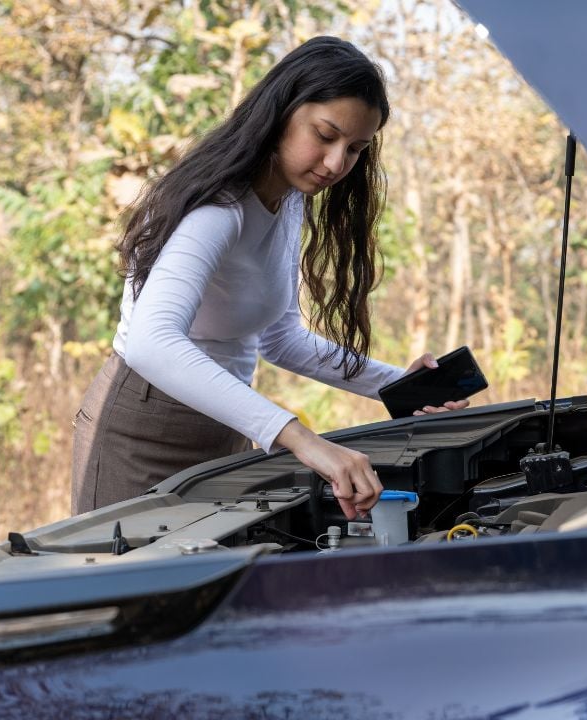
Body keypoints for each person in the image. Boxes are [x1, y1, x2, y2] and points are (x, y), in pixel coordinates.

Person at [71, 36, 466, 519]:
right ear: (281, 111)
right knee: (126, 590)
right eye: (325, 135)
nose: (336, 164)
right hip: (143, 427)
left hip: (226, 420)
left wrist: (396, 385)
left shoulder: (288, 199)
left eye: (355, 149)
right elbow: (150, 343)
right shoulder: (218, 210)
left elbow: (279, 339)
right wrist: (298, 437)